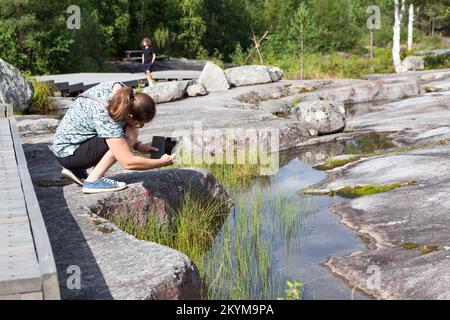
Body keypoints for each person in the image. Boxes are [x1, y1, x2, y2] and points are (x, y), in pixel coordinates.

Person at [52, 81, 174, 194]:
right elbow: (128, 162)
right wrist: (160, 162)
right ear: (130, 115)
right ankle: (93, 181)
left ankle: (77, 171)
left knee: (127, 132)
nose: (141, 127)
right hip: (70, 155)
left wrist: (138, 146)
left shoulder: (123, 94)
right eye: (139, 123)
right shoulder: (108, 115)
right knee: (131, 133)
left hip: (66, 148)